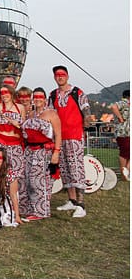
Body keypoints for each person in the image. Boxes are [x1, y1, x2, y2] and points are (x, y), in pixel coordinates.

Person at [49, 65, 90, 218]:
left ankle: (81, 204)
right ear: (54, 77)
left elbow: (86, 110)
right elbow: (50, 113)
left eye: (62, 74)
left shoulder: (77, 92)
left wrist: (85, 123)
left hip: (74, 135)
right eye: (57, 75)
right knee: (65, 169)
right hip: (60, 137)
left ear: (67, 76)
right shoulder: (53, 95)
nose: (60, 77)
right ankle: (71, 200)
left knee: (76, 168)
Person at [22, 88, 62, 221]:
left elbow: (58, 134)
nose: (38, 99)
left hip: (44, 151)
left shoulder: (51, 113)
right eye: (35, 96)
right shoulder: (31, 114)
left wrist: (56, 153)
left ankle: (42, 211)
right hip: (30, 151)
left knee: (40, 181)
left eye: (40, 97)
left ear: (45, 99)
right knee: (29, 180)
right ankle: (31, 208)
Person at [0, 84, 27, 216]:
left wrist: (18, 124)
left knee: (17, 173)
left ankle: (18, 206)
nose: (4, 95)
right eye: (2, 93)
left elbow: (24, 127)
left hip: (15, 143)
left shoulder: (20, 107)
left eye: (7, 93)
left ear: (11, 93)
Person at [110, 89, 129, 181]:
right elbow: (113, 107)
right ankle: (123, 174)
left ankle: (127, 173)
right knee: (124, 153)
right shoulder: (124, 103)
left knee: (127, 154)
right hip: (123, 133)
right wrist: (120, 118)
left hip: (126, 133)